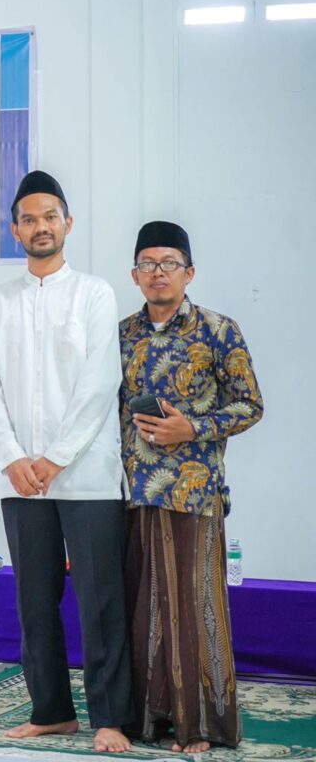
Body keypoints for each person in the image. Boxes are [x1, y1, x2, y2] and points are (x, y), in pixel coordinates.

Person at [0, 171, 134, 753]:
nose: (40, 227)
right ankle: (51, 711)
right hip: (21, 480)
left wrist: (57, 458)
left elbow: (100, 382)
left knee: (100, 599)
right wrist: (13, 458)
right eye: (29, 219)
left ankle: (110, 717)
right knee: (35, 600)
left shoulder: (94, 294)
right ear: (15, 229)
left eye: (49, 217)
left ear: (68, 223)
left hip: (86, 477)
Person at [120, 221, 263, 753]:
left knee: (196, 606)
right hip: (134, 493)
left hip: (194, 491)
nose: (158, 273)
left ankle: (200, 726)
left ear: (189, 272)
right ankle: (148, 721)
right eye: (148, 264)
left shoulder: (219, 330)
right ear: (135, 274)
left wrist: (193, 428)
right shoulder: (120, 334)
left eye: (169, 264)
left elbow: (250, 405)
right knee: (144, 612)